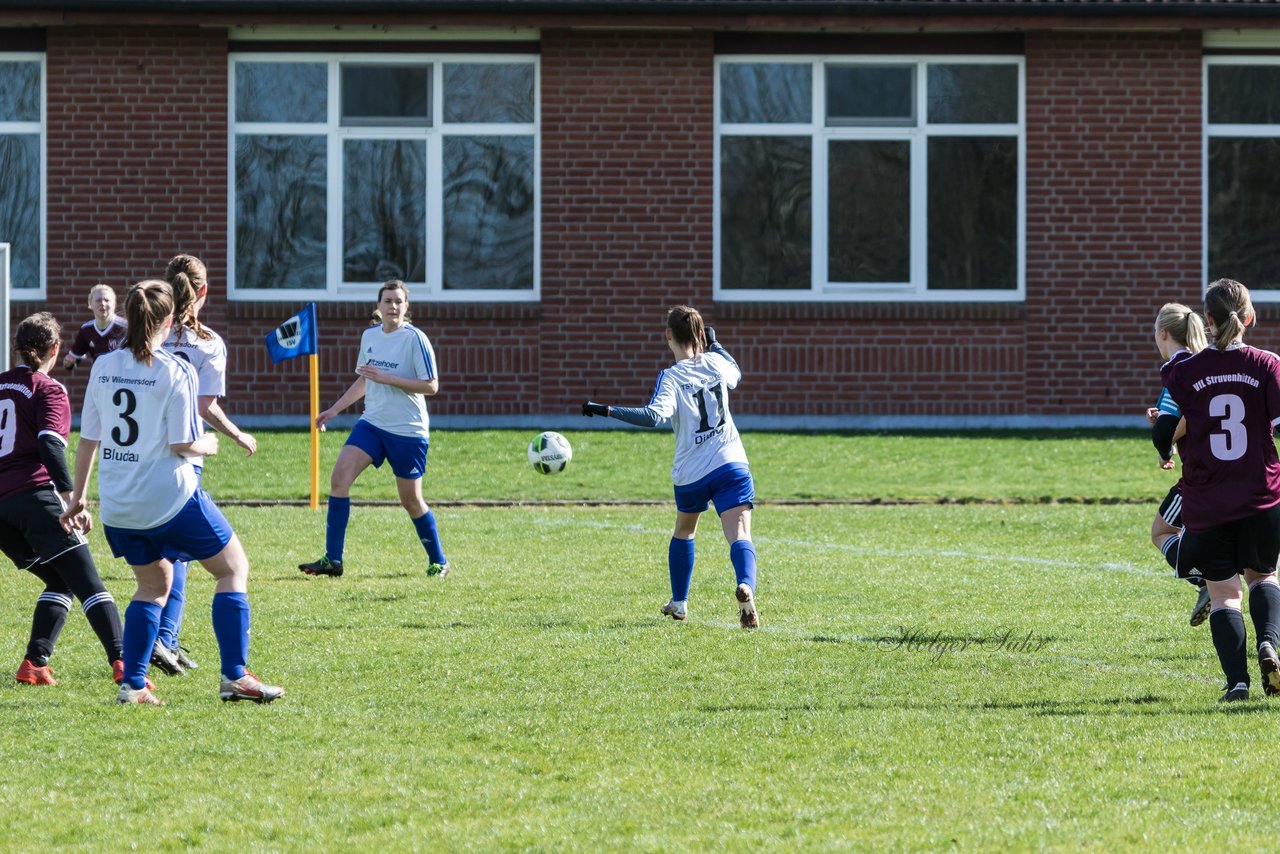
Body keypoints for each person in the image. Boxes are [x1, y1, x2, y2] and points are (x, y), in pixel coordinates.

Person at [60, 279, 283, 706]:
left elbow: (88, 437)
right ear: (167, 320)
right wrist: (211, 444)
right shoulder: (176, 369)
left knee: (153, 584)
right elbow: (183, 443)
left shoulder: (103, 367)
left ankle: (134, 685)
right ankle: (235, 676)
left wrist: (78, 497)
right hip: (170, 498)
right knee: (233, 568)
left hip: (120, 507)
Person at [581, 305, 760, 629]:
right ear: (701, 333)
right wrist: (716, 344)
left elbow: (653, 416)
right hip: (730, 462)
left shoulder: (671, 377)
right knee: (739, 533)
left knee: (684, 530)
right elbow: (736, 372)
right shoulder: (717, 361)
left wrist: (607, 410)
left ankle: (679, 602)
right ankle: (746, 585)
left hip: (691, 472)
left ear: (668, 335)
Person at [0, 312, 136, 688]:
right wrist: (71, 498)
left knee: (61, 581)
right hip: (35, 497)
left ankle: (35, 663)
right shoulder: (49, 390)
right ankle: (125, 665)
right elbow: (48, 444)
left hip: (3, 510)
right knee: (91, 583)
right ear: (55, 350)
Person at [1163, 279, 1280, 702]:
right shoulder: (1268, 364)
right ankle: (1269, 643)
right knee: (1263, 576)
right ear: (1249, 317)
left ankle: (1237, 684)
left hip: (1208, 502)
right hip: (1260, 496)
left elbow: (1169, 425)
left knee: (1224, 595)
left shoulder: (1184, 372)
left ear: (1206, 320)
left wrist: (1163, 444)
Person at [148, 254, 258, 678]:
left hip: (139, 456)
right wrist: (236, 434)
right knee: (220, 563)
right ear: (204, 291)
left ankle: (165, 640)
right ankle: (171, 645)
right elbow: (204, 406)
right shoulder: (209, 342)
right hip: (185, 456)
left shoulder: (146, 335)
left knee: (171, 555)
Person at [299, 280, 450, 579]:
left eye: (398, 301)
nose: (393, 306)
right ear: (378, 306)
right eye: (387, 301)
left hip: (408, 431)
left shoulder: (415, 339)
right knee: (339, 479)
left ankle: (438, 561)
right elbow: (365, 380)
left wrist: (389, 377)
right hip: (373, 423)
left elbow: (431, 386)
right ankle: (333, 560)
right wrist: (334, 410)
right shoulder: (370, 336)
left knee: (411, 501)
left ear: (407, 307)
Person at [1147, 303, 1211, 627]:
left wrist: (1164, 448)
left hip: (1201, 476)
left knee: (1161, 531)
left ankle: (1204, 583)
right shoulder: (1207, 363)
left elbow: (1171, 425)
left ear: (1163, 334)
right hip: (1240, 472)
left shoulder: (1177, 368)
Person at [61, 283, 126, 371]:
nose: (103, 303)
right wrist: (68, 362)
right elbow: (72, 362)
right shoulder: (86, 330)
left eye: (107, 300)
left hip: (122, 380)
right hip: (99, 380)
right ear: (90, 305)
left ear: (114, 304)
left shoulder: (126, 327)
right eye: (98, 300)